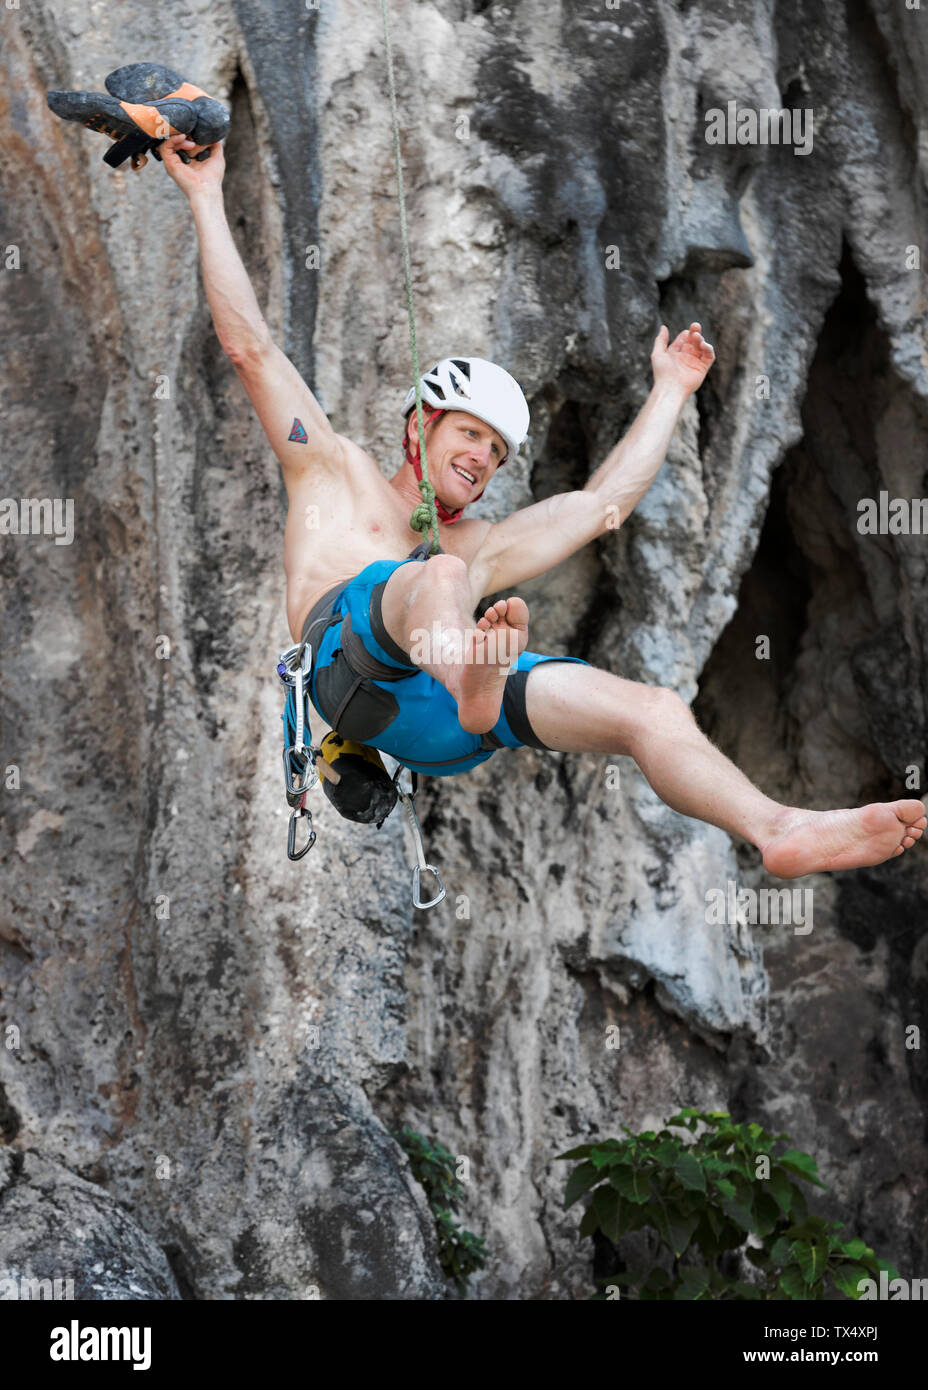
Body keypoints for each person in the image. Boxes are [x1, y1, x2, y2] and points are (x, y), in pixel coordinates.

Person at [161, 133, 926, 879]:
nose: (482, 458)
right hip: (351, 676)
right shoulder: (333, 471)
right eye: (469, 435)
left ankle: (778, 829)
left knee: (650, 710)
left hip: (439, 718)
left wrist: (669, 391)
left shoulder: (479, 546)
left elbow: (602, 506)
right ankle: (476, 681)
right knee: (437, 579)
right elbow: (251, 349)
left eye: (497, 453)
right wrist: (204, 194)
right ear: (418, 426)